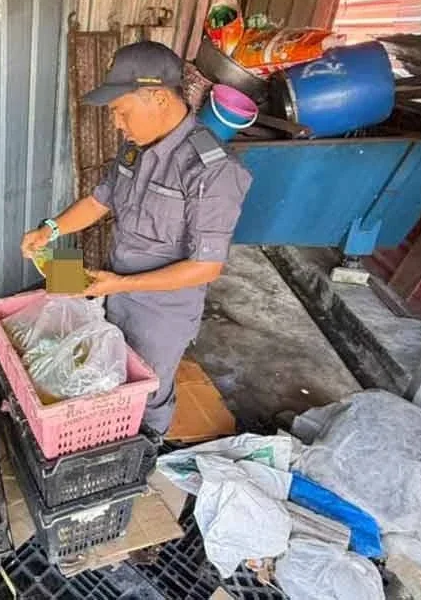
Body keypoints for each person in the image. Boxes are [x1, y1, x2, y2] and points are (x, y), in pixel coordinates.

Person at [20, 41, 252, 438]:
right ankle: (106, 441)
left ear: (158, 98)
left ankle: (145, 451)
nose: (116, 123)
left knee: (147, 393)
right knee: (105, 373)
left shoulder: (212, 170)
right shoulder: (135, 149)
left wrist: (120, 284)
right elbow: (100, 200)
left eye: (121, 111)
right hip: (114, 289)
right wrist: (51, 230)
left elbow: (206, 266)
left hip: (161, 314)